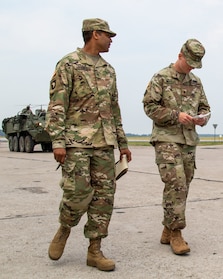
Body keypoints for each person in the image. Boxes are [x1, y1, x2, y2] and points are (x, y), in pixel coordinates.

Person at [45, 18, 132, 272]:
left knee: (104, 198)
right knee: (77, 193)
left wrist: (122, 144)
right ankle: (65, 227)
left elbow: (114, 109)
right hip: (76, 143)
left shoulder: (109, 70)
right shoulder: (68, 63)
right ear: (95, 34)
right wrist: (58, 142)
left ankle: (95, 250)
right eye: (108, 35)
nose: (111, 39)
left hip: (105, 144)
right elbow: (57, 104)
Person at [143, 38, 210, 255]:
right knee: (177, 183)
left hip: (189, 140)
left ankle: (167, 226)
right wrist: (174, 115)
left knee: (184, 185)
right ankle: (176, 233)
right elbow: (149, 106)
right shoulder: (161, 78)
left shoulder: (196, 82)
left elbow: (205, 107)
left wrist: (202, 118)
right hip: (166, 138)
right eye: (189, 61)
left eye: (195, 64)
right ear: (180, 55)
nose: (191, 67)